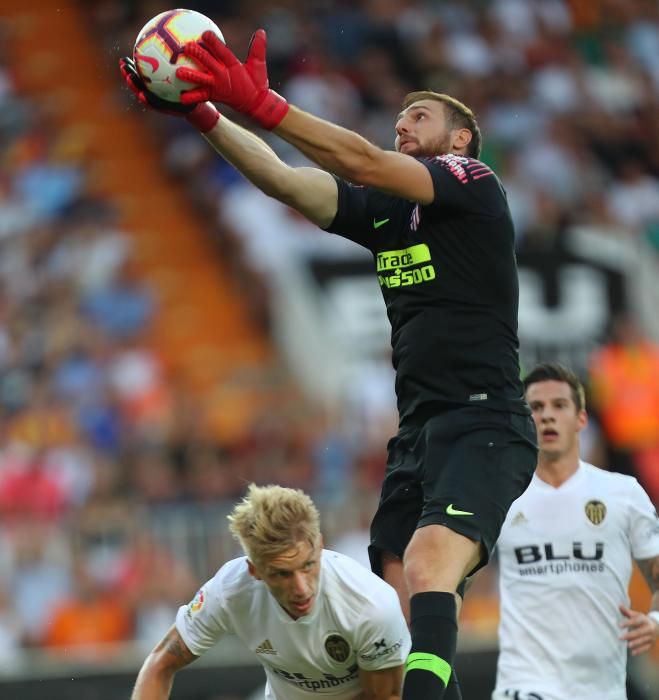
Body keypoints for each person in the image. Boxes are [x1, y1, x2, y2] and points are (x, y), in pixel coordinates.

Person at [120, 27, 538, 700]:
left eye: (420, 116)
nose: (403, 124)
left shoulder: (472, 184)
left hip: (484, 420)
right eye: (398, 118)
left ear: (459, 140)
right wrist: (204, 115)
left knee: (430, 564)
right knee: (399, 609)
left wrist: (262, 103)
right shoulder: (386, 215)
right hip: (417, 434)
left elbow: (362, 161)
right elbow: (285, 180)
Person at [130, 483, 410, 700]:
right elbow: (159, 664)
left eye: (308, 565)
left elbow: (384, 696)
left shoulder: (370, 605)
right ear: (255, 570)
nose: (301, 588)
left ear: (320, 544)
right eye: (281, 574)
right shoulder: (230, 590)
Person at [493, 362, 659, 700]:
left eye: (559, 405)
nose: (547, 415)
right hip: (523, 684)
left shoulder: (623, 493)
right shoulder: (499, 498)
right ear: (525, 419)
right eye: (536, 407)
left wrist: (655, 619)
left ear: (581, 419)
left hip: (603, 688)